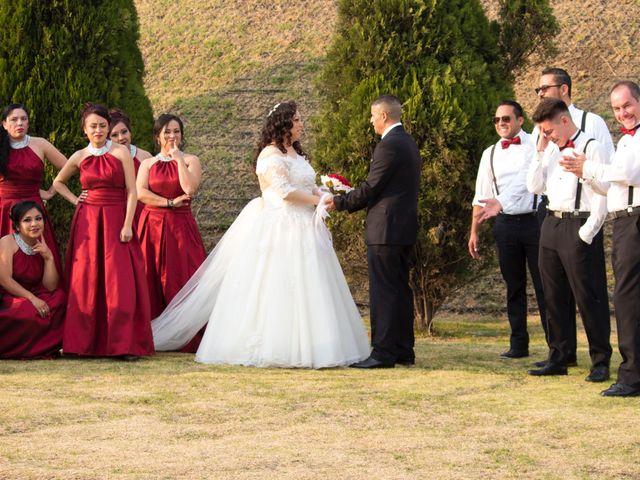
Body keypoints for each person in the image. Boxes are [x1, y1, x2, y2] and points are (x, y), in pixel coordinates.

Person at [152, 101, 369, 368]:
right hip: (281, 226)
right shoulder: (269, 155)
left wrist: (325, 195)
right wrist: (318, 202)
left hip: (305, 226)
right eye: (297, 120)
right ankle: (276, 345)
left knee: (313, 285)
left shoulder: (295, 153)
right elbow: (285, 192)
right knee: (276, 285)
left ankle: (317, 343)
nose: (302, 124)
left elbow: (308, 185)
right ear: (283, 123)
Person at [324, 94, 422, 368]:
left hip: (386, 230)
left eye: (372, 116)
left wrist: (339, 202)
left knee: (384, 292)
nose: (370, 121)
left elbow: (372, 187)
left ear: (383, 116)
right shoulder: (408, 142)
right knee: (401, 289)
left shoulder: (388, 145)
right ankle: (404, 349)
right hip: (402, 228)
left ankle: (383, 352)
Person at [53, 103, 153, 359]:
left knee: (118, 281)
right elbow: (58, 182)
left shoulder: (121, 153)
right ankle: (80, 344)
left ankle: (122, 345)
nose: (98, 130)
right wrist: (77, 200)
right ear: (85, 130)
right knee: (85, 280)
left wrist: (128, 224)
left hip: (117, 218)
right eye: (93, 126)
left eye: (102, 126)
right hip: (87, 221)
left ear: (108, 127)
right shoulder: (79, 156)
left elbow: (132, 191)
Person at [531, 68, 615, 368]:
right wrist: (541, 151)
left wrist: (587, 232)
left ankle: (600, 358)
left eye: (549, 131)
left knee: (588, 294)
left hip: (579, 223)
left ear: (564, 120)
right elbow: (534, 186)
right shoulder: (549, 145)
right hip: (551, 222)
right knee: (553, 294)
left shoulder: (591, 136)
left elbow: (606, 187)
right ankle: (560, 355)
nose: (547, 136)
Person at [561, 81, 640, 396]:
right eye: (618, 109)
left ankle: (631, 377)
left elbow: (628, 174)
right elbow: (613, 186)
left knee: (627, 299)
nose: (623, 114)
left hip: (634, 221)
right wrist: (586, 176)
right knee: (628, 299)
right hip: (624, 222)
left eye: (627, 106)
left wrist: (589, 166)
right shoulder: (625, 141)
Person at [471, 100, 546, 359]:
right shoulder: (489, 153)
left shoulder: (534, 145)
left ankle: (557, 347)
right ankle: (518, 344)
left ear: (520, 120)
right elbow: (481, 195)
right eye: (497, 120)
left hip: (534, 222)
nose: (501, 123)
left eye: (506, 119)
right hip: (504, 225)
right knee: (513, 286)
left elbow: (529, 183)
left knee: (544, 285)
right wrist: (474, 232)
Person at [137, 114, 206, 352]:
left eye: (176, 132)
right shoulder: (147, 164)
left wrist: (177, 160)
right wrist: (168, 202)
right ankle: (149, 329)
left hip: (180, 226)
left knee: (183, 275)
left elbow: (189, 188)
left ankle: (186, 331)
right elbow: (141, 193)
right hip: (152, 225)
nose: (172, 137)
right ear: (158, 136)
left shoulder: (190, 160)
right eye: (167, 132)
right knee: (150, 276)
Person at [0, 103, 67, 275]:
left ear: (29, 123)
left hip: (33, 209)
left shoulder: (40, 144)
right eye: (14, 119)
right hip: (3, 209)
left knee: (38, 255)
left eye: (23, 119)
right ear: (4, 124)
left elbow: (68, 167)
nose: (19, 123)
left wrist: (52, 191)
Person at [0, 200, 65, 359]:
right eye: (27, 220)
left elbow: (50, 287)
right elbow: (4, 280)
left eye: (38, 218)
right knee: (26, 309)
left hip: (35, 293)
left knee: (60, 299)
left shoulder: (42, 244)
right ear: (17, 226)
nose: (34, 224)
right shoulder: (7, 242)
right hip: (10, 296)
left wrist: (49, 258)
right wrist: (32, 299)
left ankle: (44, 348)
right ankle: (18, 350)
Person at [108, 108, 152, 226]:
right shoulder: (104, 160)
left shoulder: (144, 156)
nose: (121, 138)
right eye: (114, 135)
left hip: (144, 216)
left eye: (124, 132)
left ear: (130, 131)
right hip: (117, 216)